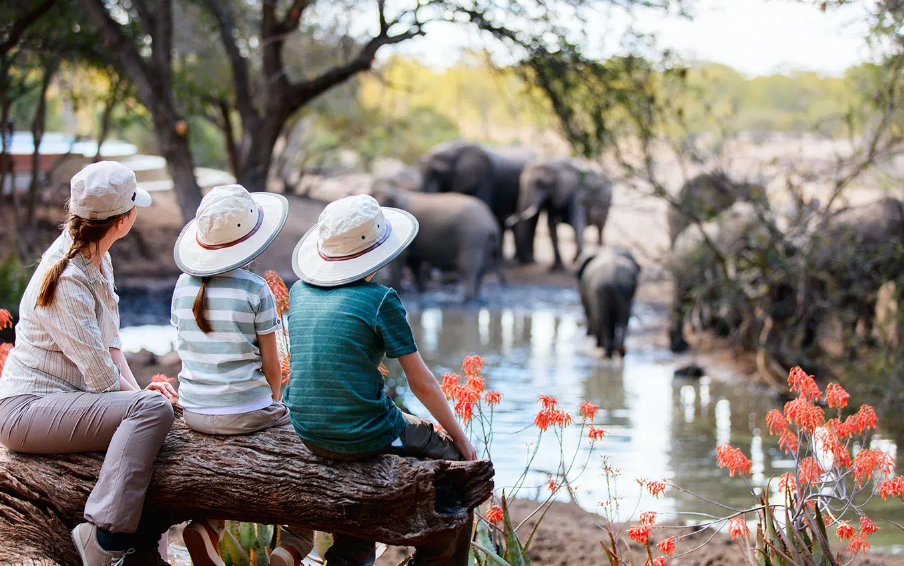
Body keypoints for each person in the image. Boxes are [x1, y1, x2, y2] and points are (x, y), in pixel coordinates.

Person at [0, 161, 178, 566]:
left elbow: (112, 345)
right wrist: (144, 404)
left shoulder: (96, 257)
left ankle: (145, 553)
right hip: (26, 411)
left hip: (66, 404)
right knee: (154, 410)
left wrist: (138, 396)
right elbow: (100, 380)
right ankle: (103, 538)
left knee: (153, 418)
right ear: (123, 220)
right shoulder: (67, 277)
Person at [286, 194, 478, 566]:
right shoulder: (380, 299)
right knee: (456, 468)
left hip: (306, 427)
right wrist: (460, 438)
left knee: (360, 495)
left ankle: (350, 557)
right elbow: (421, 384)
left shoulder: (299, 291)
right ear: (377, 253)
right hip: (362, 432)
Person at [171, 184, 314, 566]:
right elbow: (271, 364)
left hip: (196, 412)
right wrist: (274, 403)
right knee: (303, 454)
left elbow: (186, 349)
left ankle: (206, 525)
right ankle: (293, 545)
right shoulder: (255, 289)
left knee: (222, 448)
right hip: (247, 412)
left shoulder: (182, 286)